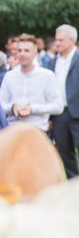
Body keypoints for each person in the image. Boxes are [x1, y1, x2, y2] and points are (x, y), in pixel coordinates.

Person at [0, 34, 62, 132]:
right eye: (19, 50)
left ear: (35, 52)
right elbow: (0, 105)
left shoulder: (47, 76)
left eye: (26, 50)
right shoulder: (9, 76)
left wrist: (32, 109)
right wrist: (13, 107)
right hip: (12, 132)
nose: (22, 54)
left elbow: (58, 106)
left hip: (38, 131)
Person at [49, 24, 79, 178]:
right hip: (59, 114)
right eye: (56, 40)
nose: (57, 43)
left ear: (72, 40)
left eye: (61, 40)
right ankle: (74, 187)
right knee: (65, 153)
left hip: (77, 112)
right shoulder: (52, 62)